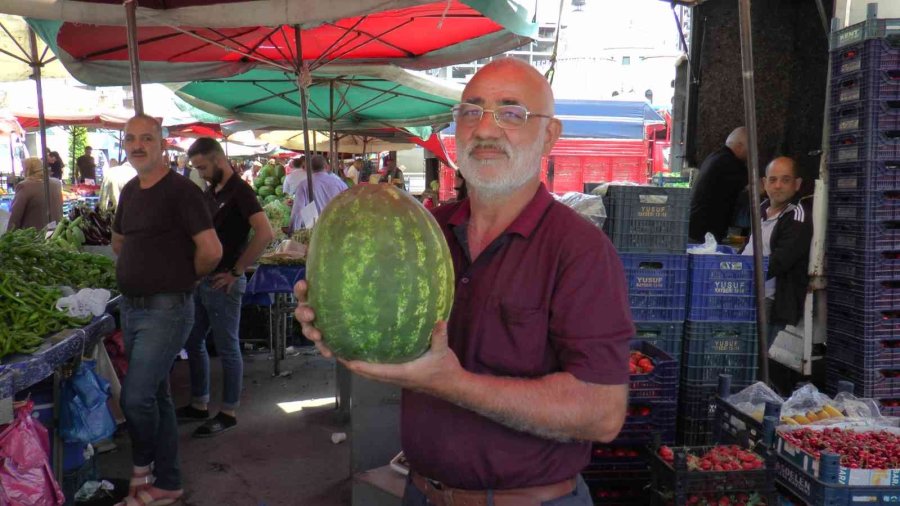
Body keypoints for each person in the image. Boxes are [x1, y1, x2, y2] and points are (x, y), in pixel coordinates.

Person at [294, 58, 631, 505]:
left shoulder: (580, 250)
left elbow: (602, 413)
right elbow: (385, 334)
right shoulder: (423, 229)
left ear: (549, 134)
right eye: (471, 111)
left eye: (511, 113)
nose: (485, 129)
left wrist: (451, 383)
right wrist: (332, 317)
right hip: (421, 493)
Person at [112, 114, 222, 506]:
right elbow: (119, 241)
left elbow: (212, 251)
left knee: (135, 398)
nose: (137, 145)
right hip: (132, 308)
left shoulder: (181, 191)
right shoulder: (129, 190)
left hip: (167, 308)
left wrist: (182, 277)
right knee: (156, 396)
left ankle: (142, 468)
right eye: (130, 139)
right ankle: (169, 482)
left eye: (146, 138)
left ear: (162, 144)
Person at [176, 137, 274, 438]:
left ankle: (229, 412)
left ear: (218, 160)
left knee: (228, 347)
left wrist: (236, 271)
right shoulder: (212, 191)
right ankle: (199, 403)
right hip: (203, 281)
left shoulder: (241, 192)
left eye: (203, 167)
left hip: (223, 283)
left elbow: (265, 233)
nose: (200, 173)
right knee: (193, 341)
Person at [741, 156, 812, 345]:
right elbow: (749, 246)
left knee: (754, 353)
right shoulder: (761, 208)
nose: (778, 185)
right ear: (764, 183)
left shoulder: (798, 216)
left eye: (785, 180)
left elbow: (779, 262)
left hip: (770, 302)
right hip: (745, 292)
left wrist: (739, 273)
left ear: (797, 184)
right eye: (772, 180)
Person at [688, 127, 749, 242]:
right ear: (739, 146)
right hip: (704, 235)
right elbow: (754, 188)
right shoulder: (731, 164)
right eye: (749, 149)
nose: (751, 154)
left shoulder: (715, 156)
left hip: (696, 229)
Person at [288, 155, 348, 231]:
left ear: (310, 168)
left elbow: (297, 211)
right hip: (336, 227)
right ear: (326, 167)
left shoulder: (303, 185)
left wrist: (292, 231)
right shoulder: (340, 183)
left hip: (314, 230)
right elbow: (348, 205)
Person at [6, 157, 63, 232]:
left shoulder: (25, 186)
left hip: (35, 234)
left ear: (28, 170)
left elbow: (15, 216)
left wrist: (8, 233)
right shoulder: (57, 183)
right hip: (57, 230)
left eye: (23, 169)